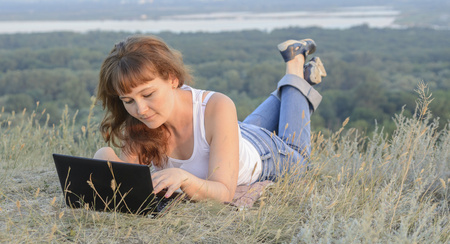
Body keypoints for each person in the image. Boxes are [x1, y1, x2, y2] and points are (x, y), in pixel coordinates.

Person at [94, 35, 326, 205]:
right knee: (238, 127)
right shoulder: (140, 125)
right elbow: (125, 189)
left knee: (301, 159)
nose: (141, 109)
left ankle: (295, 67)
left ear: (172, 79)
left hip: (264, 153)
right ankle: (297, 82)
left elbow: (224, 191)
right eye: (128, 100)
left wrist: (184, 179)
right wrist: (103, 156)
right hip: (229, 135)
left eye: (147, 94)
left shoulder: (216, 106)